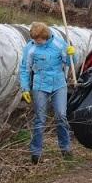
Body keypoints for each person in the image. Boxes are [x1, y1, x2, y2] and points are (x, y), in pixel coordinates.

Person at [19, 22, 77, 164]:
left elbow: (71, 63)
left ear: (45, 36)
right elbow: (25, 69)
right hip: (40, 85)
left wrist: (71, 54)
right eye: (34, 39)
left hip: (58, 84)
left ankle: (65, 148)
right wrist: (25, 88)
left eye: (38, 39)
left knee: (61, 116)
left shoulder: (58, 43)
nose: (36, 42)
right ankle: (36, 152)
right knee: (40, 118)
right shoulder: (31, 48)